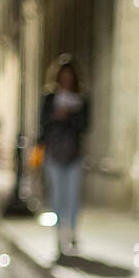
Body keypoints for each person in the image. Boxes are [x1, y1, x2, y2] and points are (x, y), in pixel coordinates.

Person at [38, 60, 90, 259]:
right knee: (57, 196)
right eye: (63, 76)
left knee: (73, 196)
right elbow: (42, 123)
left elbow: (85, 125)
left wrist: (69, 116)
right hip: (54, 152)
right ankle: (60, 236)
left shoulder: (82, 100)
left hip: (74, 153)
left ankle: (72, 232)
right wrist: (55, 116)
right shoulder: (50, 98)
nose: (67, 80)